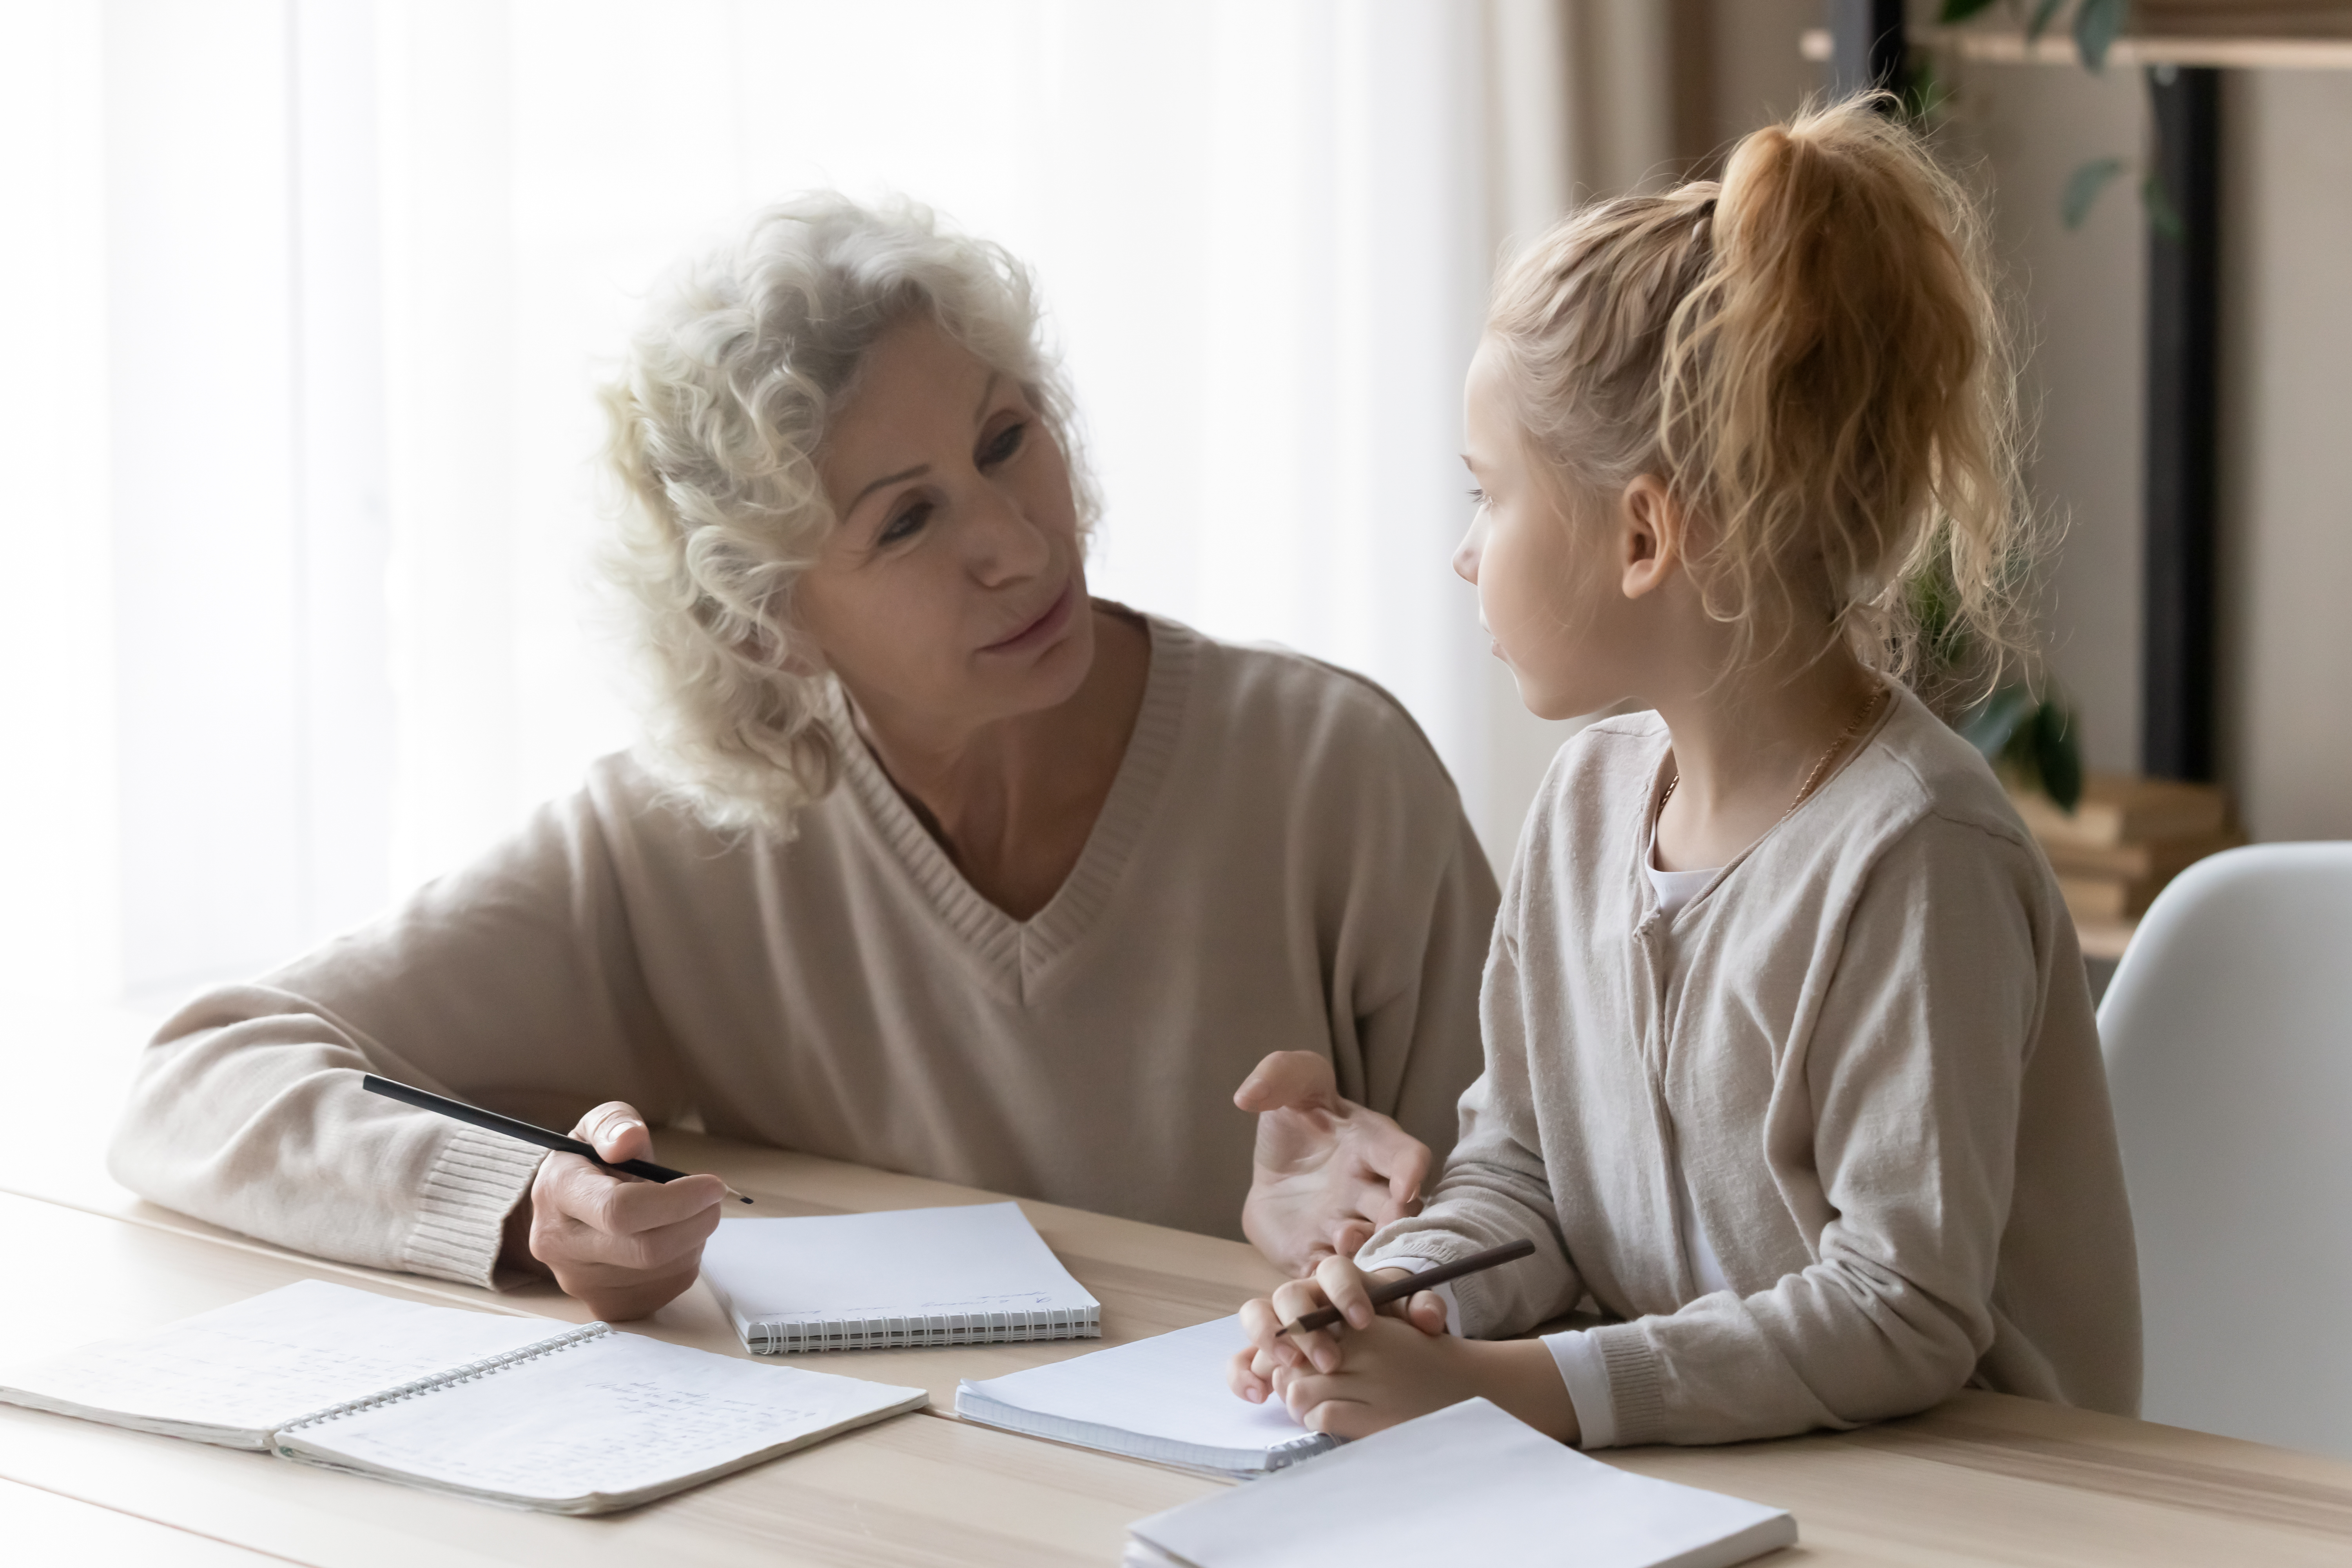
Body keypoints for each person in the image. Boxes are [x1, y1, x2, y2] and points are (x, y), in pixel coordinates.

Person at [107, 196, 1497, 1320]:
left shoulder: (1333, 772)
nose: (1013, 539)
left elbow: (1538, 1233)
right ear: (768, 624)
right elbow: (198, 1079)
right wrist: (536, 1207)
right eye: (906, 523)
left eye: (1010, 440)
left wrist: (1381, 1255)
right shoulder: (681, 839)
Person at [1229, 96, 2140, 1448]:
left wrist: (1517, 1392)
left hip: (1967, 1507)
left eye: (1487, 490)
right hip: (1705, 1479)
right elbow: (1525, 1172)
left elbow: (1900, 1309)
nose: (1465, 553)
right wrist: (1387, 1299)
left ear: (1643, 533)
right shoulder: (1587, 803)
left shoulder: (1915, 857)